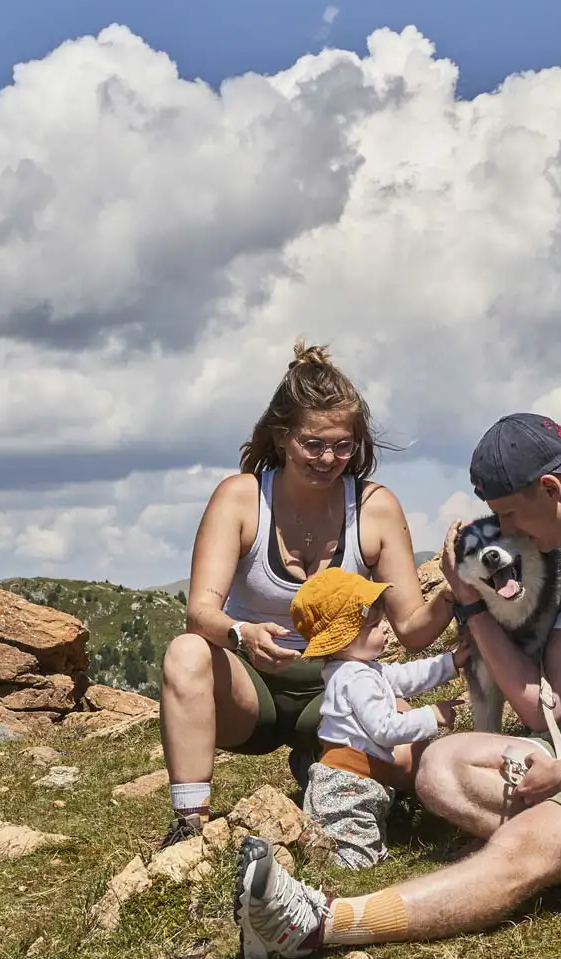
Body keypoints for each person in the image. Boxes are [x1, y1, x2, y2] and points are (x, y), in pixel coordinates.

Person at [234, 412, 561, 959]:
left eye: (509, 514)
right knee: (442, 770)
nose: (509, 532)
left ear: (550, 488)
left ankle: (317, 924)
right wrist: (468, 603)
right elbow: (544, 706)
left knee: (526, 838)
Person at [158, 343, 454, 845]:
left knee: (412, 762)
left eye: (342, 446)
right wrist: (242, 633)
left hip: (341, 685)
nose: (328, 459)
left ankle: (323, 765)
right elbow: (199, 613)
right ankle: (189, 823)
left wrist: (451, 591)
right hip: (253, 689)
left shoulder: (375, 507)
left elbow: (412, 630)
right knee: (185, 652)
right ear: (282, 437)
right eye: (313, 444)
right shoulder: (241, 498)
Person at [288, 567, 468, 871]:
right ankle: (306, 858)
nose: (384, 628)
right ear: (342, 641)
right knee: (352, 859)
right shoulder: (354, 677)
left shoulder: (358, 669)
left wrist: (450, 662)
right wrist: (432, 715)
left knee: (368, 848)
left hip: (359, 782)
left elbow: (405, 676)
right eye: (372, 624)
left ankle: (315, 843)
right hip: (348, 786)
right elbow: (385, 729)